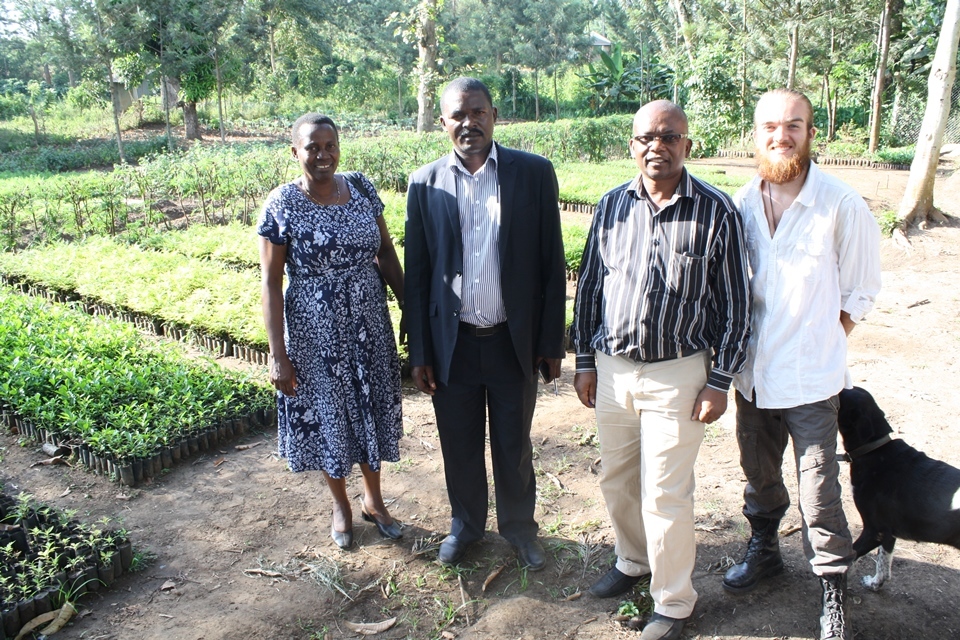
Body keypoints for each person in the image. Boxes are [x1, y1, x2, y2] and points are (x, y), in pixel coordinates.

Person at [571, 100, 750, 640]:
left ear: (686, 145)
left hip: (679, 374)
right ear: (632, 145)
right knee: (617, 478)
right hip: (613, 370)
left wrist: (719, 381)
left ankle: (673, 603)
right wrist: (585, 361)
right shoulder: (611, 205)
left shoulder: (716, 211)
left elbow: (737, 304)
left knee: (665, 493)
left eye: (670, 136)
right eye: (647, 136)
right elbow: (590, 287)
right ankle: (633, 560)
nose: (658, 146)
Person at [723, 89, 881, 640]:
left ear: (812, 133)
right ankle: (765, 550)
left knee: (819, 491)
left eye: (794, 125)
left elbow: (860, 292)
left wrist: (819, 341)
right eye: (770, 126)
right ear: (756, 133)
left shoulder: (840, 204)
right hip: (752, 376)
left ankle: (833, 589)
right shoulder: (741, 203)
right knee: (759, 474)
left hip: (812, 381)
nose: (781, 135)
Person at [404, 77, 567, 571]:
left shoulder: (532, 173)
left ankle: (519, 529)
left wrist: (551, 341)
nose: (468, 123)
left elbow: (551, 261)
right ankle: (466, 526)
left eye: (478, 112)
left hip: (511, 341)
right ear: (443, 122)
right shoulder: (424, 182)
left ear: (494, 115)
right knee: (459, 443)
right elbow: (419, 273)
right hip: (452, 345)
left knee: (514, 444)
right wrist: (420, 351)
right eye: (458, 115)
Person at [258, 113, 406, 550]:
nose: (323, 155)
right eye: (312, 147)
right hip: (315, 332)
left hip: (369, 323)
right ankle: (341, 504)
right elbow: (271, 282)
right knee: (330, 414)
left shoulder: (360, 187)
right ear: (295, 152)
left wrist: (410, 308)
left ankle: (374, 500)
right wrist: (277, 354)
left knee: (370, 405)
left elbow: (385, 252)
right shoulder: (282, 203)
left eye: (330, 146)